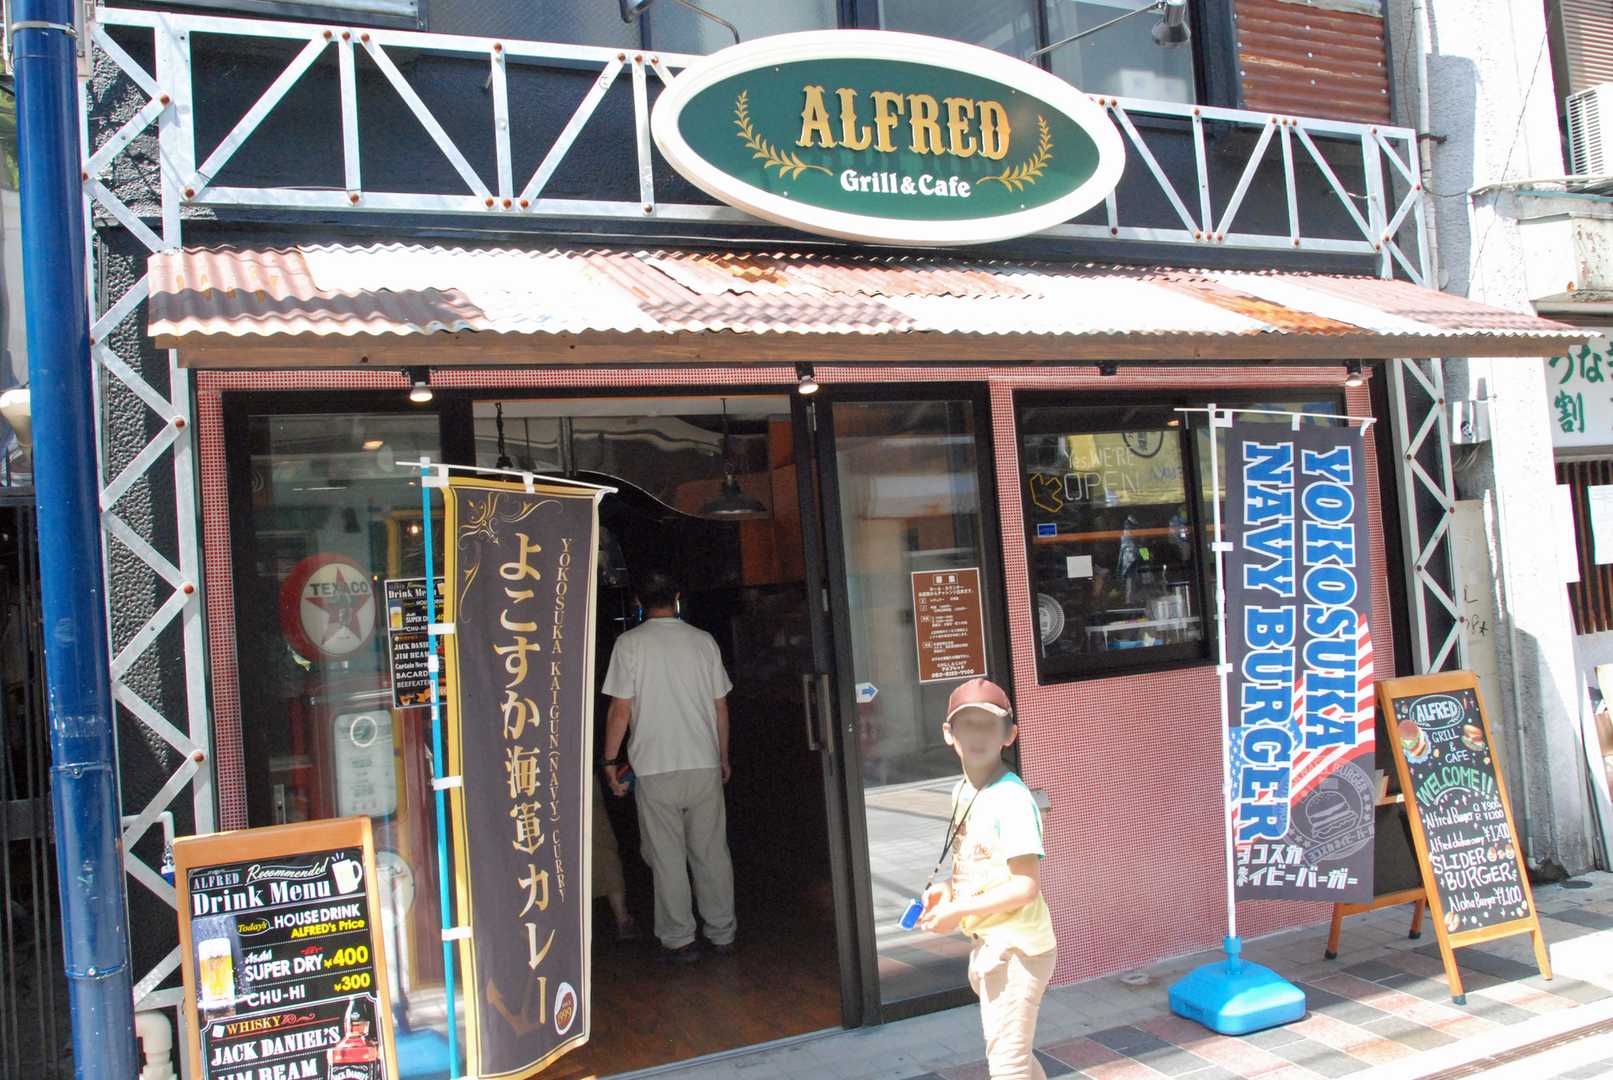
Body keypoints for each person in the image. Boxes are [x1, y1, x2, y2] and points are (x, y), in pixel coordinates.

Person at [918, 678, 1056, 1080]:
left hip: (1016, 949)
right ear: (949, 733)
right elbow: (976, 864)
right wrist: (948, 891)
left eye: (988, 725)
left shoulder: (1011, 799)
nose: (977, 735)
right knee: (1014, 1056)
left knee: (1008, 1065)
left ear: (1009, 735)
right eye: (967, 725)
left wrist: (958, 909)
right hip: (989, 945)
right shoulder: (964, 791)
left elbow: (1025, 886)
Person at [600, 570, 736, 963]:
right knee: (712, 852)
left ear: (639, 602)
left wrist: (610, 759)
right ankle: (722, 932)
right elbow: (720, 707)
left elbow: (621, 709)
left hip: (655, 766)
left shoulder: (629, 644)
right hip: (703, 762)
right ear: (677, 597)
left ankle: (680, 939)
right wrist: (722, 756)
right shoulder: (703, 641)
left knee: (666, 856)